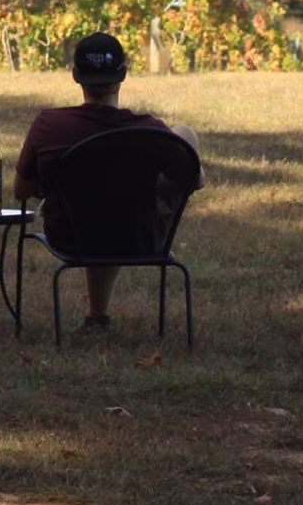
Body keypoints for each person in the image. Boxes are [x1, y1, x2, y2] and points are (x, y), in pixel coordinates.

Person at [11, 30, 202, 334]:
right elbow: (194, 181)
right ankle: (97, 314)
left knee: (97, 201)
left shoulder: (49, 125)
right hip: (140, 239)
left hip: (72, 238)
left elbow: (21, 191)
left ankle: (97, 316)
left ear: (75, 75)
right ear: (123, 74)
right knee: (184, 133)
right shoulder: (150, 130)